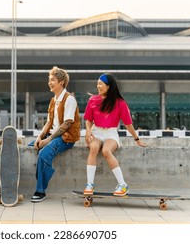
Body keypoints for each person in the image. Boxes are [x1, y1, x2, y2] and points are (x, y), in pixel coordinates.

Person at [83, 73, 146, 197]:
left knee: (106, 151)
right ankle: (89, 184)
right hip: (96, 132)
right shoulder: (93, 100)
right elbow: (88, 119)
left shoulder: (120, 103)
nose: (98, 86)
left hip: (111, 133)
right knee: (94, 148)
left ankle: (122, 184)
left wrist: (137, 139)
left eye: (101, 83)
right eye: (97, 83)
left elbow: (128, 124)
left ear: (109, 86)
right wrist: (88, 131)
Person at [31, 66, 81, 202]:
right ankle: (42, 175)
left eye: (52, 80)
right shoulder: (54, 100)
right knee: (32, 146)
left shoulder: (69, 99)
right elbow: (48, 123)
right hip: (54, 136)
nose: (49, 82)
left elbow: (67, 124)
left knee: (43, 154)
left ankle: (40, 190)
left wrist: (48, 140)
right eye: (49, 80)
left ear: (61, 82)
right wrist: (39, 137)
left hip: (66, 138)